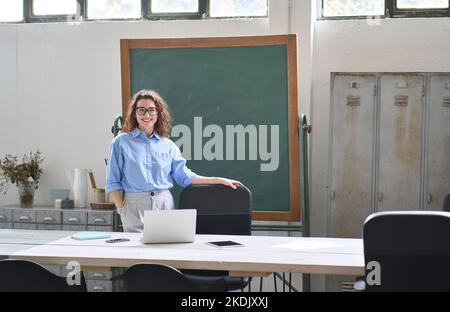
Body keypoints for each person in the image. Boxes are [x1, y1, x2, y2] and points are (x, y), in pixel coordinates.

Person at [106, 89, 241, 232]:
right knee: (138, 252)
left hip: (164, 204)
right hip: (134, 207)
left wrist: (218, 180)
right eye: (141, 110)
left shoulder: (168, 146)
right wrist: (122, 209)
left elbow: (185, 177)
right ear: (134, 113)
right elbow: (113, 182)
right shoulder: (120, 142)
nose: (147, 115)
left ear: (158, 113)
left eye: (152, 110)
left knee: (166, 250)